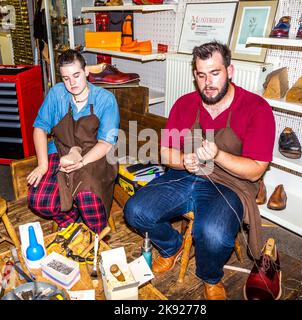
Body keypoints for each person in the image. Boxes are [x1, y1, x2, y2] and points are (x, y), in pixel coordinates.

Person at [124, 41, 275, 300]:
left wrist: (218, 155)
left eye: (215, 73)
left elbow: (255, 172)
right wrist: (184, 161)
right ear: (194, 75)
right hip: (185, 175)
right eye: (201, 75)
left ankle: (210, 276)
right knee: (135, 211)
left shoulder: (256, 109)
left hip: (230, 184)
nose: (208, 82)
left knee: (213, 234)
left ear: (230, 70)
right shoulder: (184, 105)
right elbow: (165, 153)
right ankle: (171, 249)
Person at [27, 49, 119, 235]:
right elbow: (40, 128)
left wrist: (81, 162)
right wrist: (43, 165)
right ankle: (68, 221)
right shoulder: (57, 94)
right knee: (39, 199)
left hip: (94, 155)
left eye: (76, 75)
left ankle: (98, 237)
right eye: (66, 78)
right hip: (61, 150)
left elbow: (106, 143)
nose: (72, 83)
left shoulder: (105, 99)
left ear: (86, 72)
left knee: (88, 197)